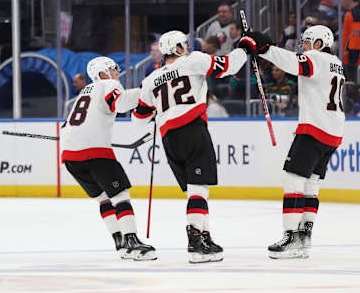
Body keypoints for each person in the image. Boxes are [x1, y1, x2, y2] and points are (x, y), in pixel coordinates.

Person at [132, 30, 247, 263]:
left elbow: (138, 117)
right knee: (199, 188)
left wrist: (158, 109)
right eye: (185, 45)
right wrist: (245, 49)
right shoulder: (193, 60)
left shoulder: (151, 78)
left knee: (196, 190)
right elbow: (228, 66)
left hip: (169, 139)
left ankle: (204, 236)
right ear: (179, 48)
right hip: (192, 129)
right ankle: (195, 242)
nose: (188, 48)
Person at [238, 25, 345, 259]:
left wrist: (263, 47)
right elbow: (295, 68)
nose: (303, 47)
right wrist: (263, 52)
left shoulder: (316, 58)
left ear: (318, 44)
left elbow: (292, 62)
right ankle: (305, 237)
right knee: (311, 184)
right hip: (333, 131)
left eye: (307, 42)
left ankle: (291, 237)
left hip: (314, 129)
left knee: (293, 179)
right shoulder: (335, 61)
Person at [61, 57, 156, 261]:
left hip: (70, 156)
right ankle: (132, 241)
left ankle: (120, 243)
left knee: (103, 199)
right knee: (120, 195)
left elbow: (67, 126)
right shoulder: (109, 84)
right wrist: (147, 92)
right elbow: (120, 104)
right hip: (94, 153)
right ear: (103, 74)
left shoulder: (83, 93)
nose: (117, 74)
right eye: (113, 70)